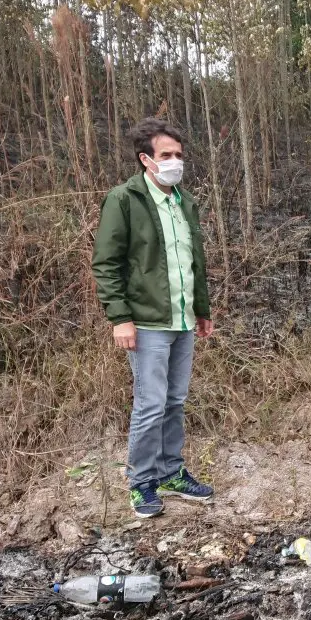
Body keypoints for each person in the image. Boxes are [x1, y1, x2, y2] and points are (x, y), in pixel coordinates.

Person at [92, 118, 215, 517]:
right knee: (150, 403)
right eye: (167, 155)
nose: (175, 161)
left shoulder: (184, 201)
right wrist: (120, 318)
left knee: (175, 400)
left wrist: (201, 310)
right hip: (146, 323)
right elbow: (107, 264)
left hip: (181, 320)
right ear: (146, 159)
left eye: (179, 155)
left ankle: (171, 471)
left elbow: (192, 261)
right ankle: (141, 481)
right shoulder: (125, 200)